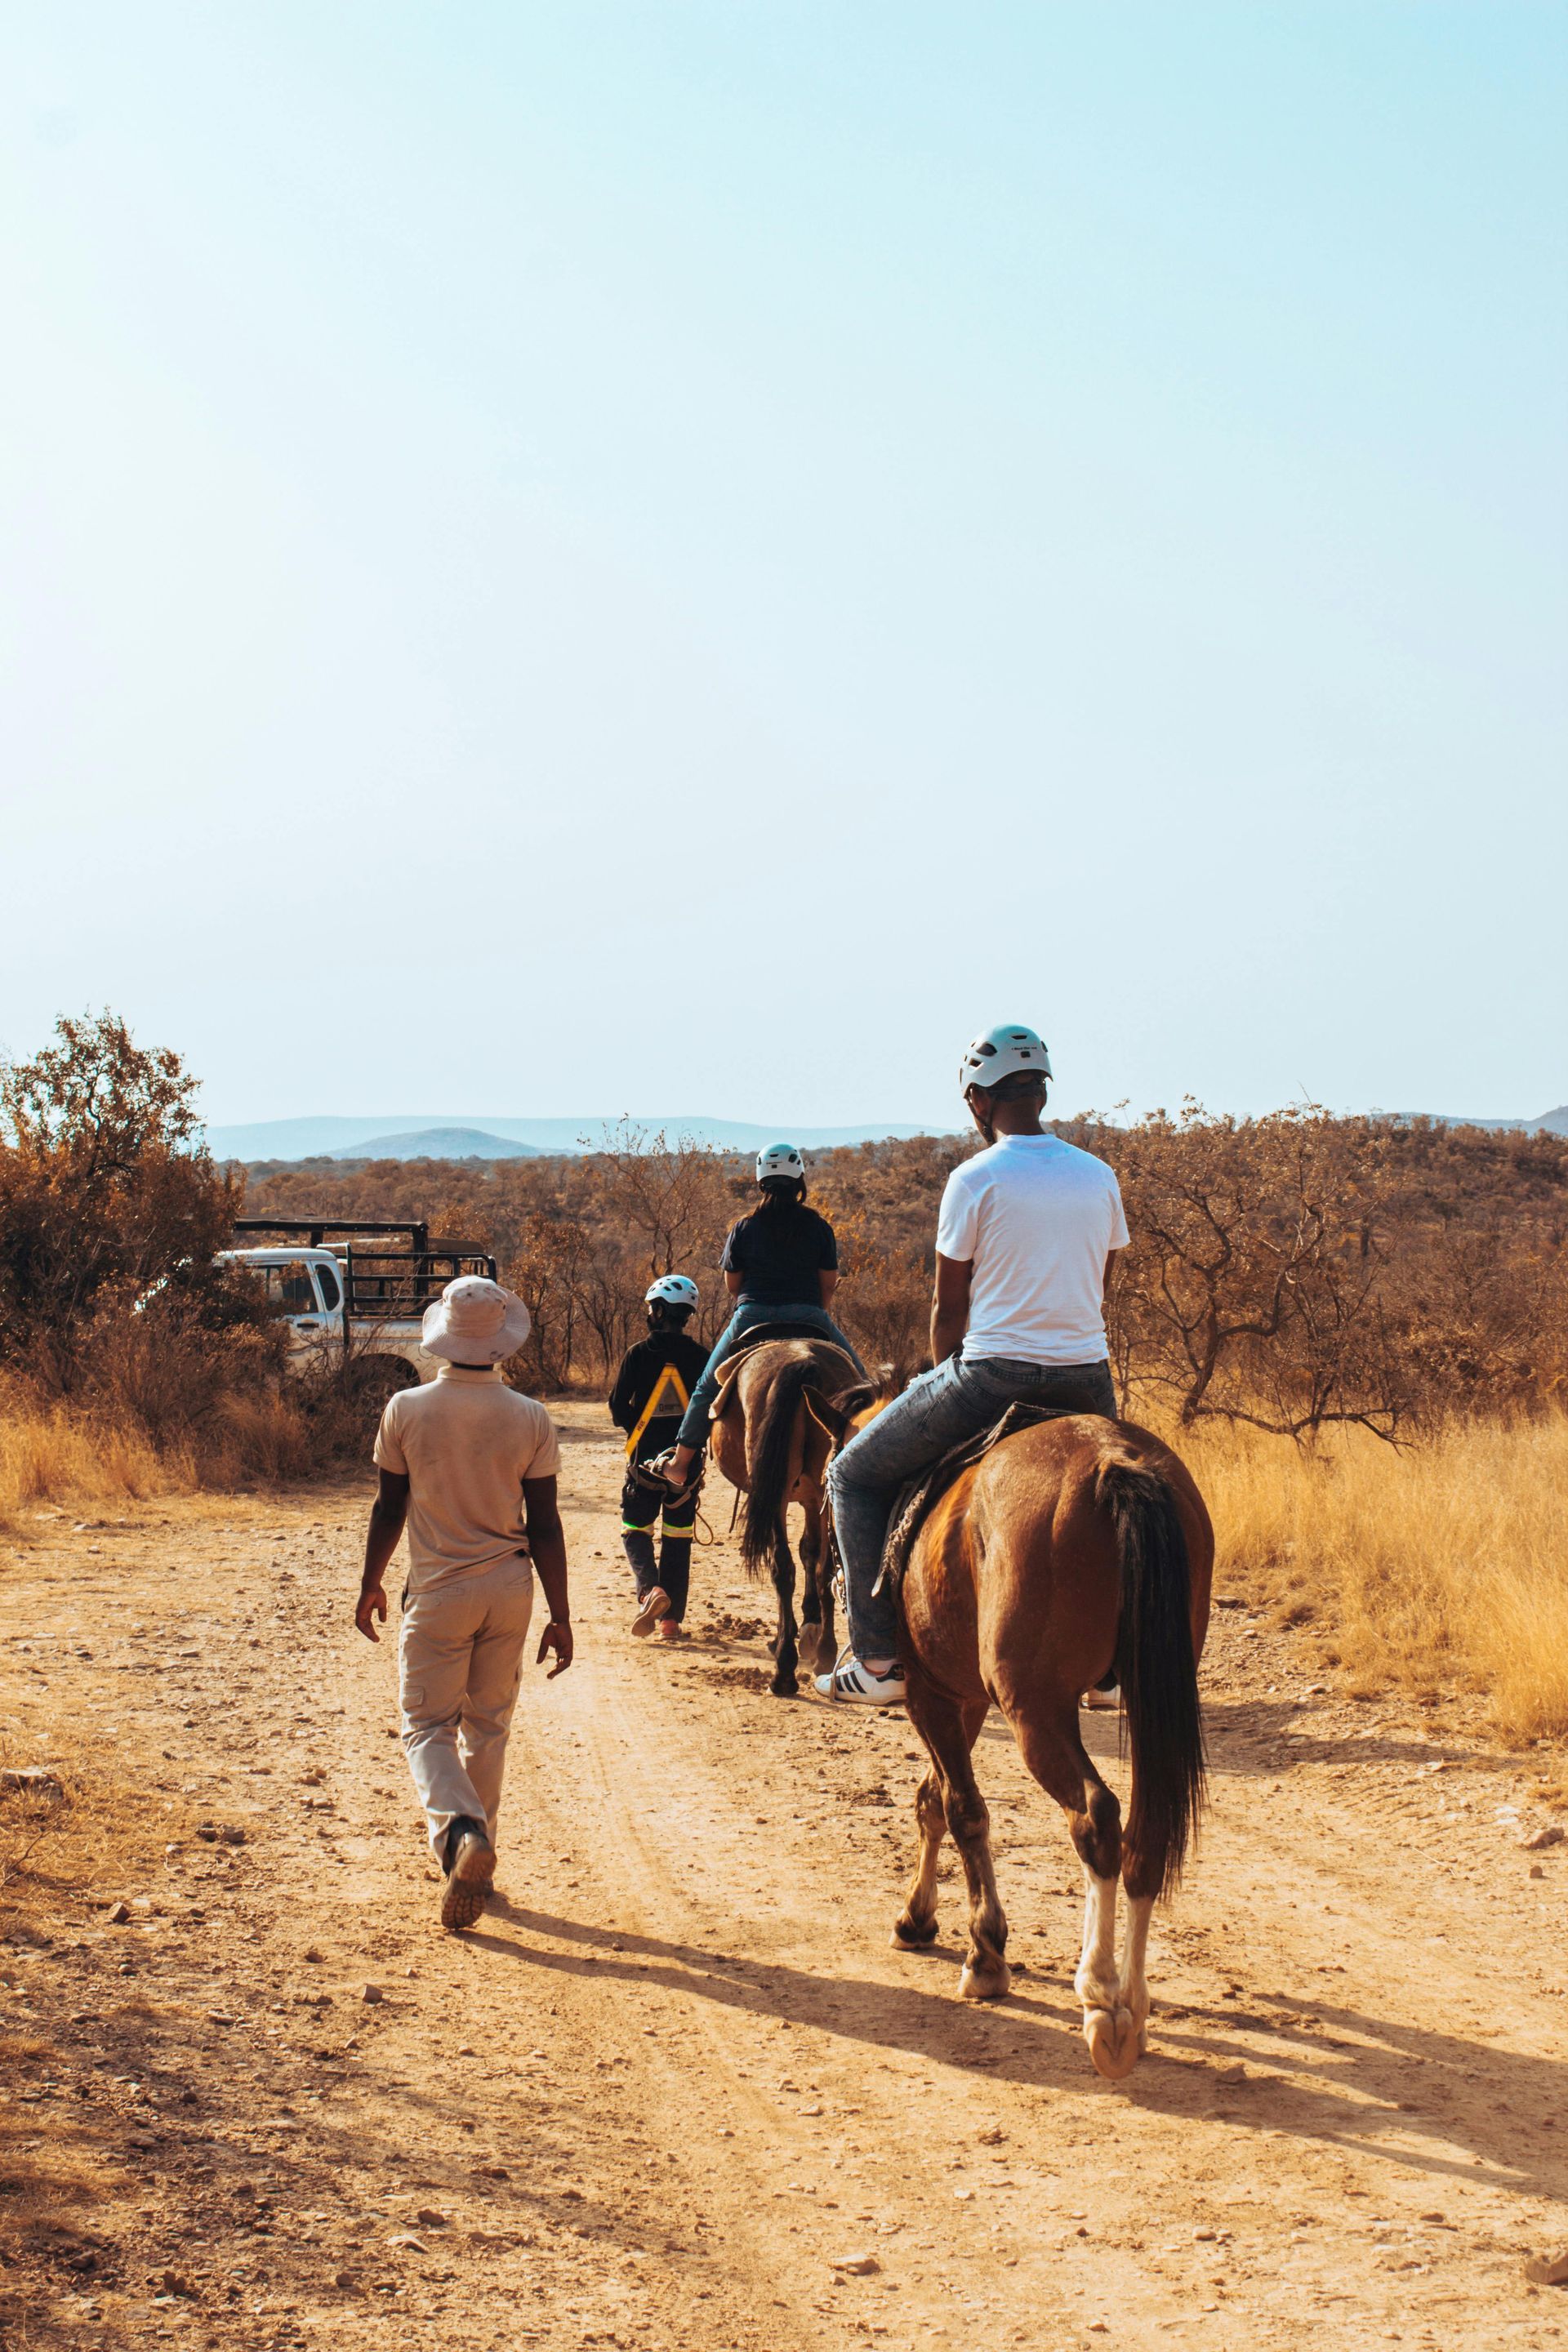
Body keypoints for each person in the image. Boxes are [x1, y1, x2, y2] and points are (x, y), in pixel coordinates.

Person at [816, 1024, 1128, 1705]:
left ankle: (876, 1661)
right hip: (1088, 1377)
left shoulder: (974, 1178)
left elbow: (948, 1303)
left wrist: (941, 1372)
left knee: (851, 1474)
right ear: (1041, 1092)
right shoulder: (1099, 1175)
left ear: (976, 1103)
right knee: (1119, 1501)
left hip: (993, 1375)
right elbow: (1099, 1286)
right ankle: (1109, 1671)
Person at [354, 1274, 572, 1931]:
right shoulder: (530, 1417)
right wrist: (561, 1614)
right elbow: (546, 1525)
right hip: (510, 1587)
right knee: (490, 1724)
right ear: (502, 1345)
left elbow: (390, 1505)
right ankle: (479, 1851)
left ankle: (460, 1834)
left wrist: (371, 1581)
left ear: (443, 1338)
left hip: (440, 1588)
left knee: (426, 1726)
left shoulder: (406, 1408)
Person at [653, 1143, 865, 1490]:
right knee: (861, 1384)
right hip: (810, 1315)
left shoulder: (744, 1227)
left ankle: (679, 1463)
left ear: (760, 1181)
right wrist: (812, 1312)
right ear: (799, 1180)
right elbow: (827, 1285)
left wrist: (757, 1306)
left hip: (752, 1314)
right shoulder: (818, 1227)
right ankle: (873, 1459)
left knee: (707, 1387)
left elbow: (733, 1285)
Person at [608, 1276, 711, 1640]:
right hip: (687, 1466)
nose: (649, 1314)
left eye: (651, 1308)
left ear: (660, 1310)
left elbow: (619, 1408)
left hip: (645, 1463)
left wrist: (642, 1432)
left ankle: (651, 1591)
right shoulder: (703, 1357)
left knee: (635, 1529)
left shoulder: (638, 1353)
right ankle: (670, 1622)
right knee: (678, 1536)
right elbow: (711, 1410)